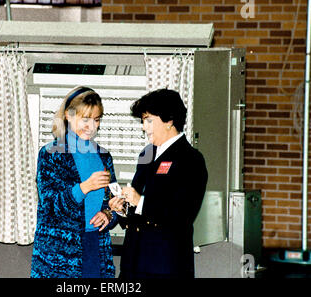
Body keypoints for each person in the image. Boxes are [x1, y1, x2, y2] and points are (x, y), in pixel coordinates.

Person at [109, 88, 208, 278]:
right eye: (143, 121)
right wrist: (122, 208)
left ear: (169, 120)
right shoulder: (147, 154)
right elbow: (137, 208)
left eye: (149, 121)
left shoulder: (190, 159)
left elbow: (182, 214)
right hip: (133, 263)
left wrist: (141, 202)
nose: (143, 127)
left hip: (166, 265)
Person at [31, 86, 118, 278]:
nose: (92, 126)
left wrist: (109, 214)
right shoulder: (51, 154)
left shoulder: (104, 157)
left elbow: (113, 201)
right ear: (68, 117)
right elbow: (51, 206)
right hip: (58, 254)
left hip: (96, 246)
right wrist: (85, 187)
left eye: (96, 120)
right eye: (85, 119)